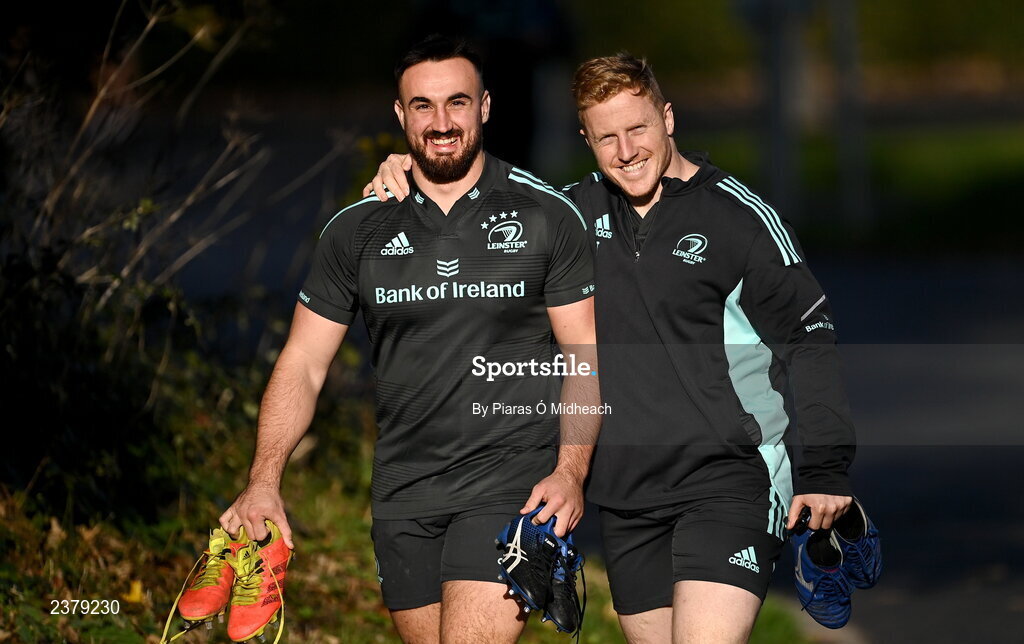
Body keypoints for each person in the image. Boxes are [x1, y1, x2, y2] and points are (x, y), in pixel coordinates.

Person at [367, 53, 858, 643]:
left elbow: (810, 339)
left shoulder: (740, 219)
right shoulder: (570, 215)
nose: (626, 151)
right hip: (626, 501)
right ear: (586, 139)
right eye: (606, 138)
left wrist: (825, 467)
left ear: (667, 118)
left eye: (638, 128)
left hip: (730, 480)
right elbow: (476, 217)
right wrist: (410, 170)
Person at [220, 35, 601, 644]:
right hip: (403, 495)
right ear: (400, 116)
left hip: (512, 487)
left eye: (457, 102)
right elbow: (304, 363)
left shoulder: (545, 215)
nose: (442, 122)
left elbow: (585, 357)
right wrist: (265, 479)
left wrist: (570, 471)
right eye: (422, 106)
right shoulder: (357, 229)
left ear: (485, 106)